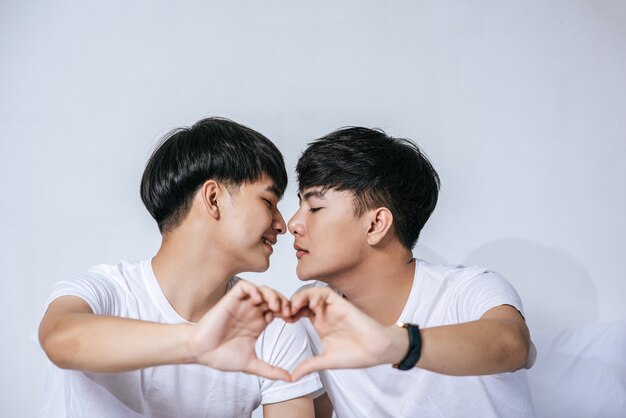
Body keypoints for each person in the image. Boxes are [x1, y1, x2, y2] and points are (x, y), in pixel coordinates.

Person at [38, 117, 321, 418]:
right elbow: (59, 340)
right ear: (213, 199)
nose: (282, 224)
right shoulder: (106, 291)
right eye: (268, 202)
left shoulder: (274, 328)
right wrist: (196, 343)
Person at [286, 127, 536, 417]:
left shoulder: (467, 289)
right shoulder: (311, 308)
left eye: (315, 207)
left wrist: (394, 345)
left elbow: (513, 345)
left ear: (376, 225)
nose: (293, 223)